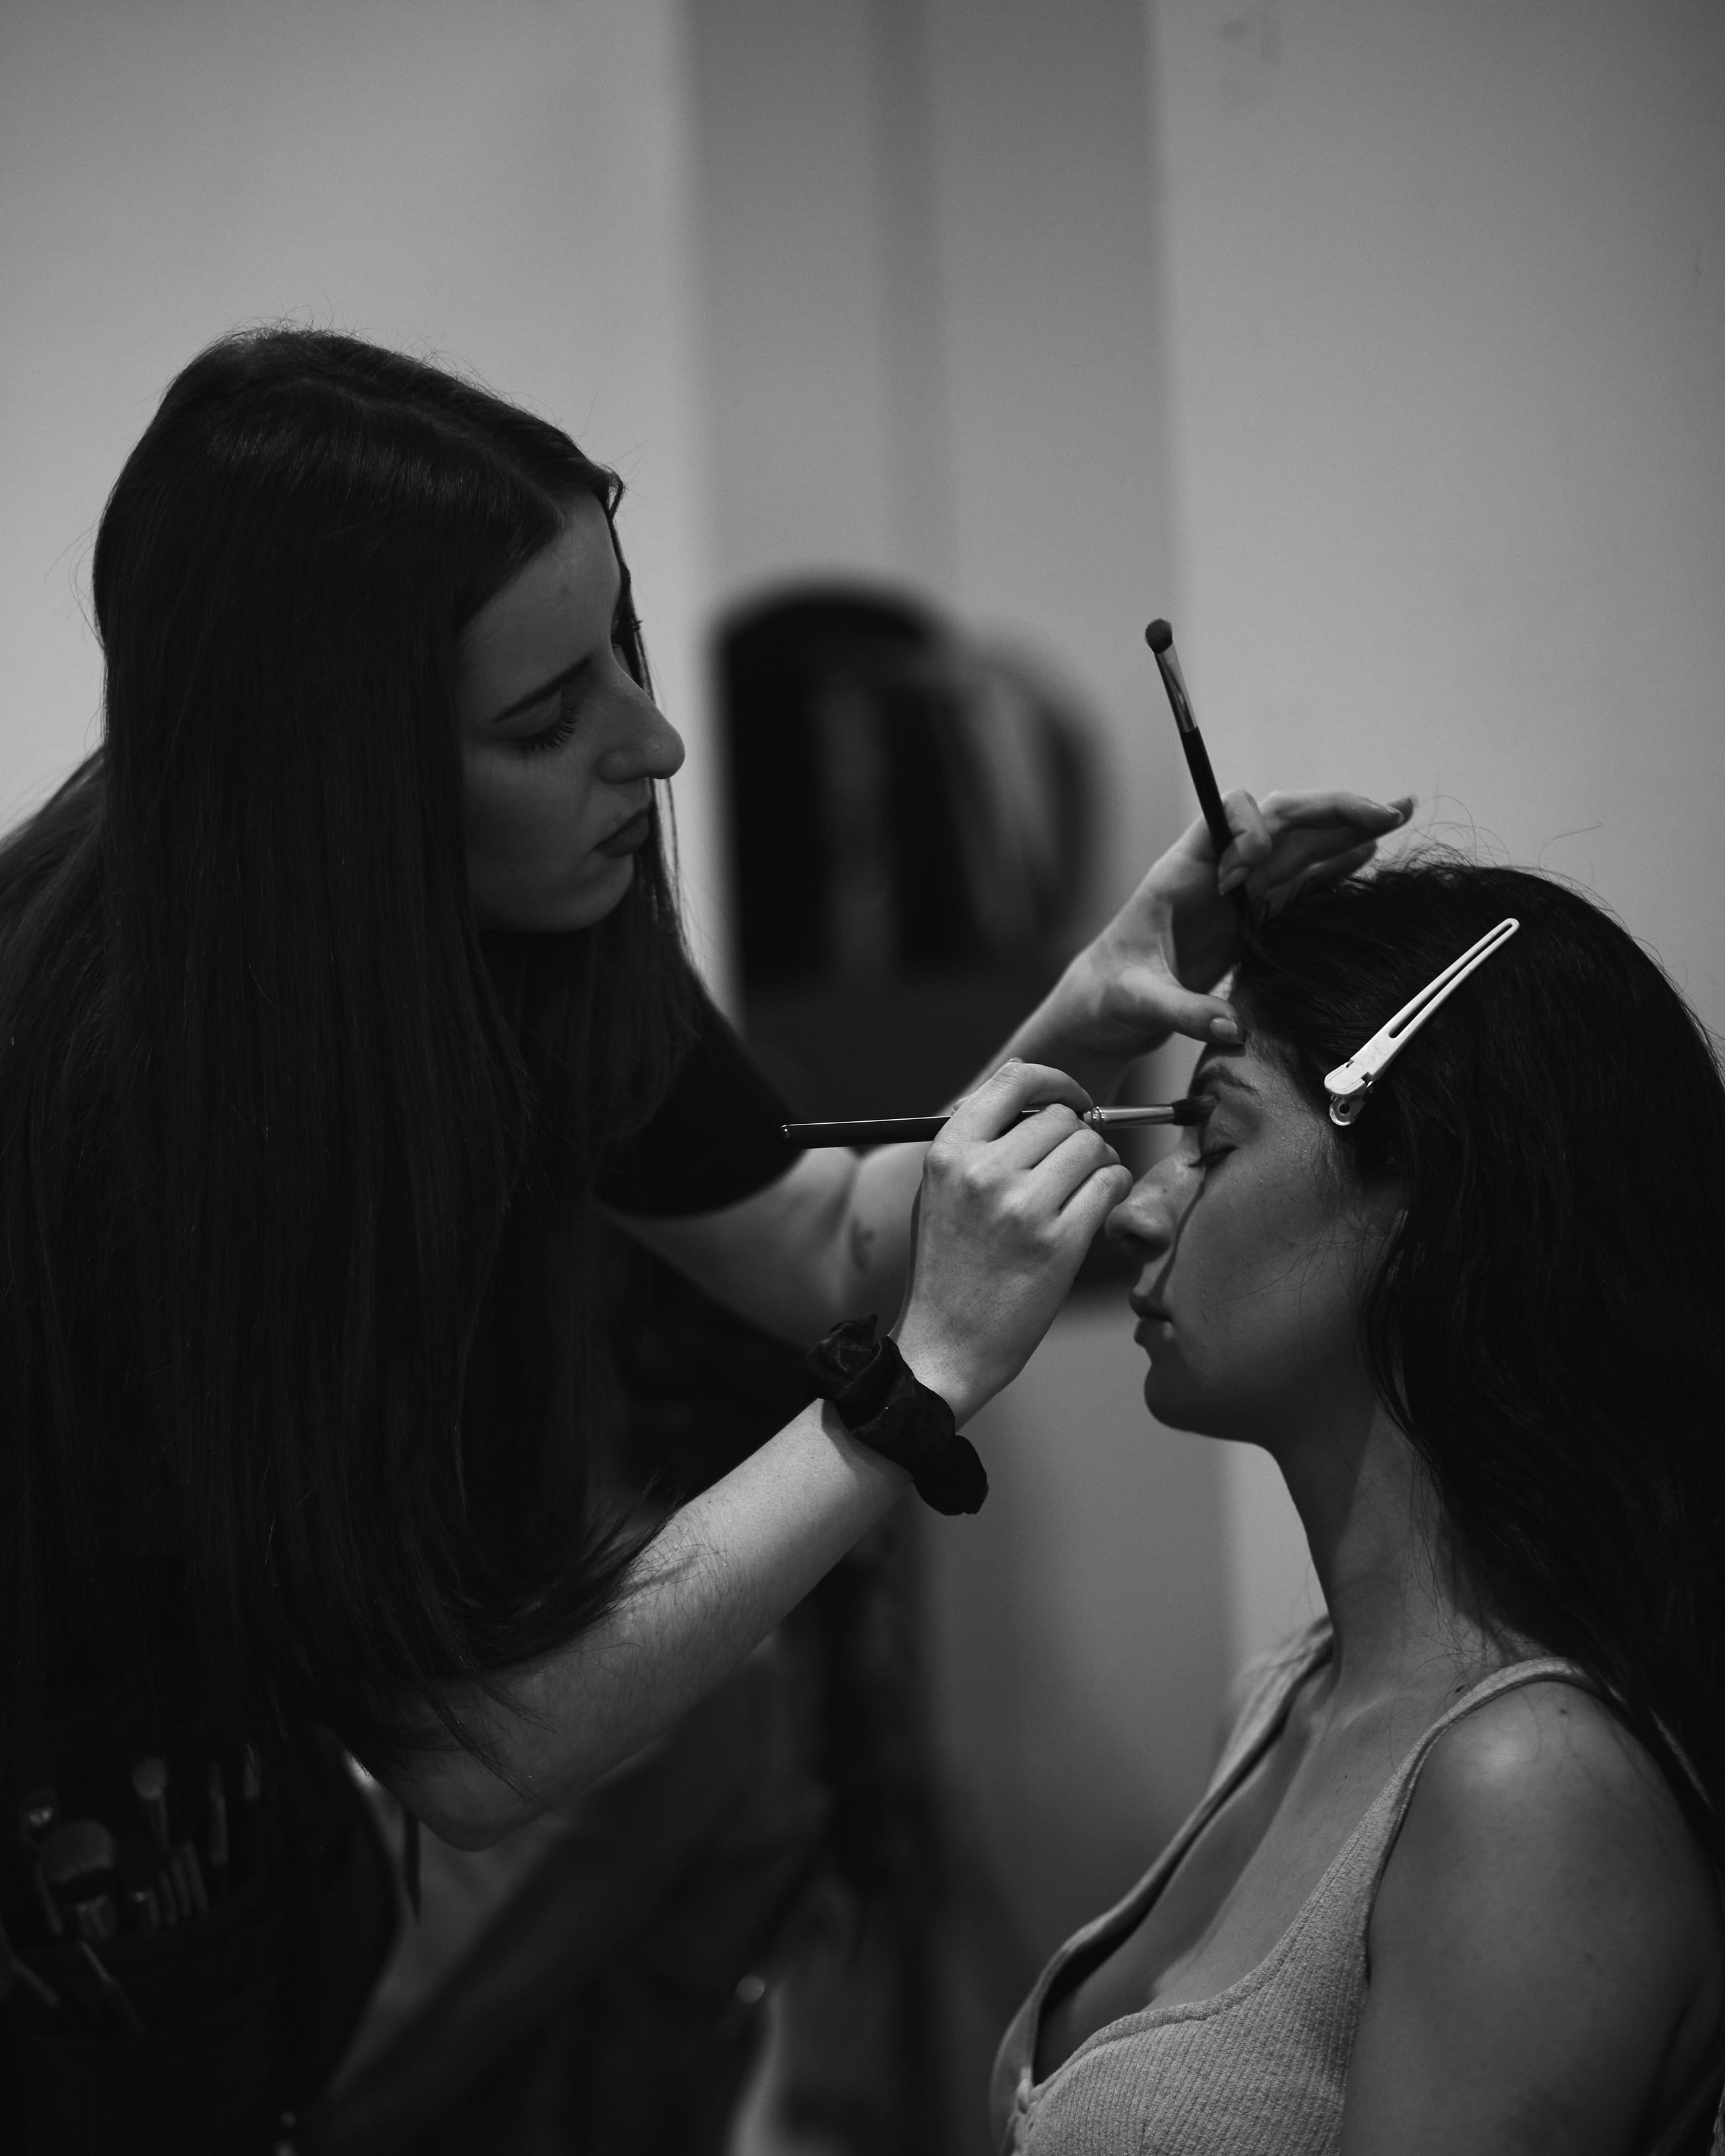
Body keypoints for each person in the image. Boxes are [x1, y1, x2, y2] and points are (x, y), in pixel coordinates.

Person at [0, 325, 1405, 2150]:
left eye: (623, 644)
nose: (648, 744)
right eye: (543, 719)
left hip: (252, 1839)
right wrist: (910, 1397)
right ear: (350, 801)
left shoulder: (529, 898)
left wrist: (1095, 999)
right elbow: (484, 1750)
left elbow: (815, 1232)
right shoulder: (147, 1105)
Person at [995, 858, 1725, 2155]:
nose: (1140, 1206)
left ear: (1431, 1201)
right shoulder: (1294, 1693)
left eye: (1213, 1141)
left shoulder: (1528, 1792)